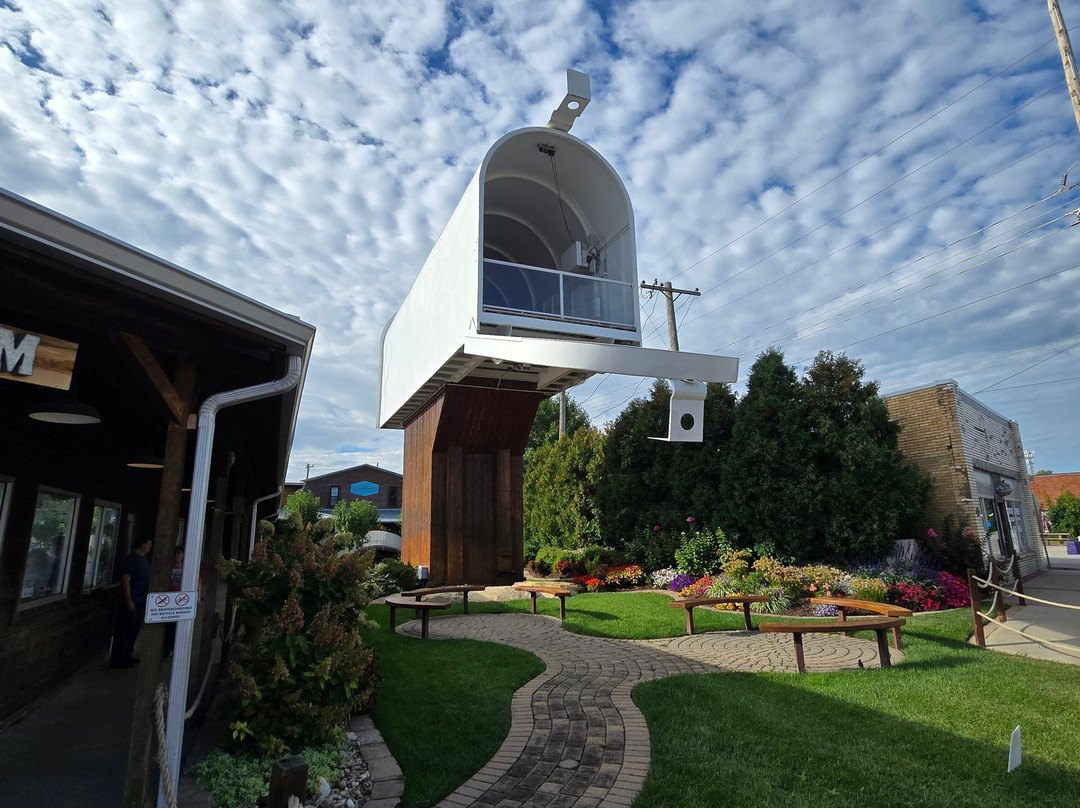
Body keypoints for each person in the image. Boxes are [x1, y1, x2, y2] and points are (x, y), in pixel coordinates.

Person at [111, 536, 152, 668]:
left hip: (141, 599)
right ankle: (120, 659)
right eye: (149, 544)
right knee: (126, 629)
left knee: (134, 629)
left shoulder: (144, 559)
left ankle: (128, 654)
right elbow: (126, 580)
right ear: (142, 545)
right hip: (133, 600)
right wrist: (129, 600)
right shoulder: (132, 560)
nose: (150, 547)